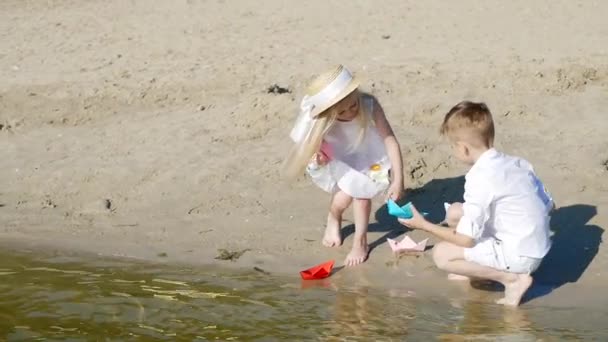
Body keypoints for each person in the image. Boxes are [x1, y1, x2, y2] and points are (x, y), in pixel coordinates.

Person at [399, 101, 553, 306]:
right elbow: (549, 204)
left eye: (453, 147)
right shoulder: (516, 162)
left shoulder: (479, 177)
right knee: (455, 211)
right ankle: (472, 269)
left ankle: (512, 280)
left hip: (521, 257)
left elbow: (466, 240)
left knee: (442, 255)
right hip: (535, 244)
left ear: (463, 148)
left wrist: (423, 225)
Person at [283, 65, 405, 266]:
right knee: (341, 201)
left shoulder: (369, 104)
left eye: (353, 106)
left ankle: (361, 241)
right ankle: (334, 216)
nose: (349, 113)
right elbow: (317, 151)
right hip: (340, 158)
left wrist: (399, 180)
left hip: (369, 155)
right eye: (342, 111)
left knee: (362, 195)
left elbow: (390, 139)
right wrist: (320, 158)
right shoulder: (321, 122)